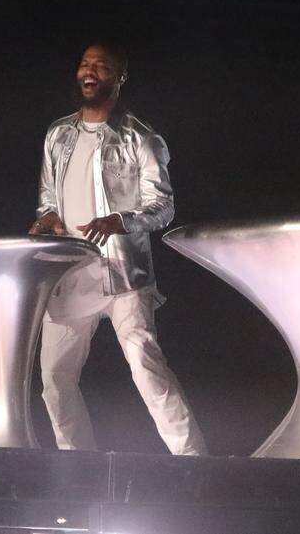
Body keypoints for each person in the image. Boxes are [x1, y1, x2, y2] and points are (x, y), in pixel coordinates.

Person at [29, 43, 207, 456]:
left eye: (101, 67)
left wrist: (120, 221)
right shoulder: (58, 134)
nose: (90, 72)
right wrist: (47, 219)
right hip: (71, 275)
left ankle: (193, 461)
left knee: (147, 369)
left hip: (124, 275)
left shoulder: (141, 137)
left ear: (120, 77)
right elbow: (47, 199)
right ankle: (79, 465)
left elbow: (163, 208)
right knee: (54, 380)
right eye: (84, 64)